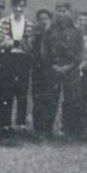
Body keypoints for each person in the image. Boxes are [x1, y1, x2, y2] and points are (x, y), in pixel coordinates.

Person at [41, 7, 84, 139]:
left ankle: (69, 131)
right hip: (53, 69)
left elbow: (80, 52)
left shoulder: (76, 32)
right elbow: (45, 51)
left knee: (71, 100)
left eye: (64, 11)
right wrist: (53, 66)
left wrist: (68, 66)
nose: (61, 14)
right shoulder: (50, 31)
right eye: (59, 11)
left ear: (69, 13)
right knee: (50, 100)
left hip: (71, 70)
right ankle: (47, 131)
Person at [0, 0, 34, 132]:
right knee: (7, 91)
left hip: (23, 60)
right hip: (8, 59)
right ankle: (5, 122)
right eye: (16, 6)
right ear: (12, 7)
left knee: (22, 91)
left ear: (25, 7)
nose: (19, 9)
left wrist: (15, 43)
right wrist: (17, 42)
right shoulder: (3, 22)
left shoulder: (29, 24)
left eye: (22, 6)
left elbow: (30, 45)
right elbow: (1, 42)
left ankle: (21, 122)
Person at [31, 8, 53, 136]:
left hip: (50, 69)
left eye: (45, 19)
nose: (43, 21)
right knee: (37, 98)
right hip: (37, 69)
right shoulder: (35, 35)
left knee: (49, 98)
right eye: (41, 19)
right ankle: (38, 128)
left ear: (50, 20)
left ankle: (48, 128)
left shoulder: (54, 34)